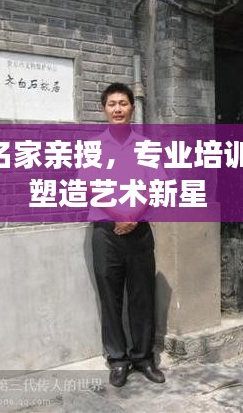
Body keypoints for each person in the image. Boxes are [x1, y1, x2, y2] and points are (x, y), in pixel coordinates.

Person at [90, 82, 165, 387]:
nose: (118, 109)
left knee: (142, 296)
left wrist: (132, 217)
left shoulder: (146, 146)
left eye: (123, 103)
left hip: (139, 232)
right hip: (106, 232)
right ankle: (118, 360)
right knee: (110, 298)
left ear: (132, 108)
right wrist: (119, 216)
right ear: (104, 110)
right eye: (112, 104)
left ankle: (144, 358)